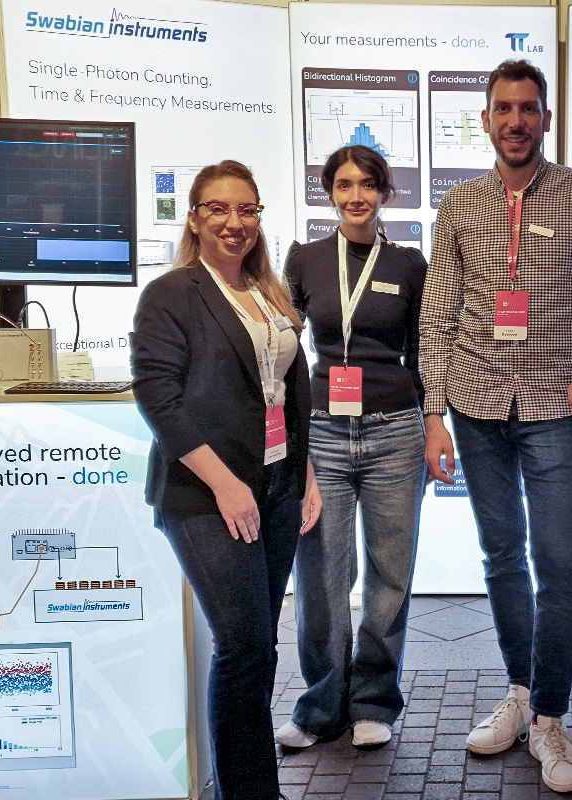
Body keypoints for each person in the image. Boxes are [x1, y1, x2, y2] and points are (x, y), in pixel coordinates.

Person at [420, 59, 572, 793]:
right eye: (503, 109)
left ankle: (550, 717)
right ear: (485, 119)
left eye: (528, 109)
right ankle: (516, 691)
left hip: (553, 406)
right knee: (501, 556)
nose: (516, 121)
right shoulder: (460, 204)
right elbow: (439, 313)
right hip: (475, 403)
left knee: (559, 563)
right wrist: (433, 414)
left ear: (545, 118)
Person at [131, 160, 321, 800]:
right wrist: (225, 484)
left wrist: (307, 477)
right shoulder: (173, 293)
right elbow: (159, 398)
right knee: (241, 645)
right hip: (207, 496)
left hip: (276, 487)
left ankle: (252, 785)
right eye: (218, 208)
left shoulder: (269, 292)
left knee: (261, 648)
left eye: (247, 210)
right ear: (194, 217)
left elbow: (292, 398)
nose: (234, 222)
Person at [276, 145, 427, 749]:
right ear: (329, 193)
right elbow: (284, 352)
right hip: (322, 436)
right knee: (320, 575)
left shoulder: (410, 263)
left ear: (385, 192)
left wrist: (430, 416)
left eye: (367, 184)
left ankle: (374, 703)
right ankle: (320, 707)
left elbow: (425, 351)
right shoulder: (306, 260)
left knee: (390, 576)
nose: (355, 195)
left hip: (394, 431)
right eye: (343, 185)